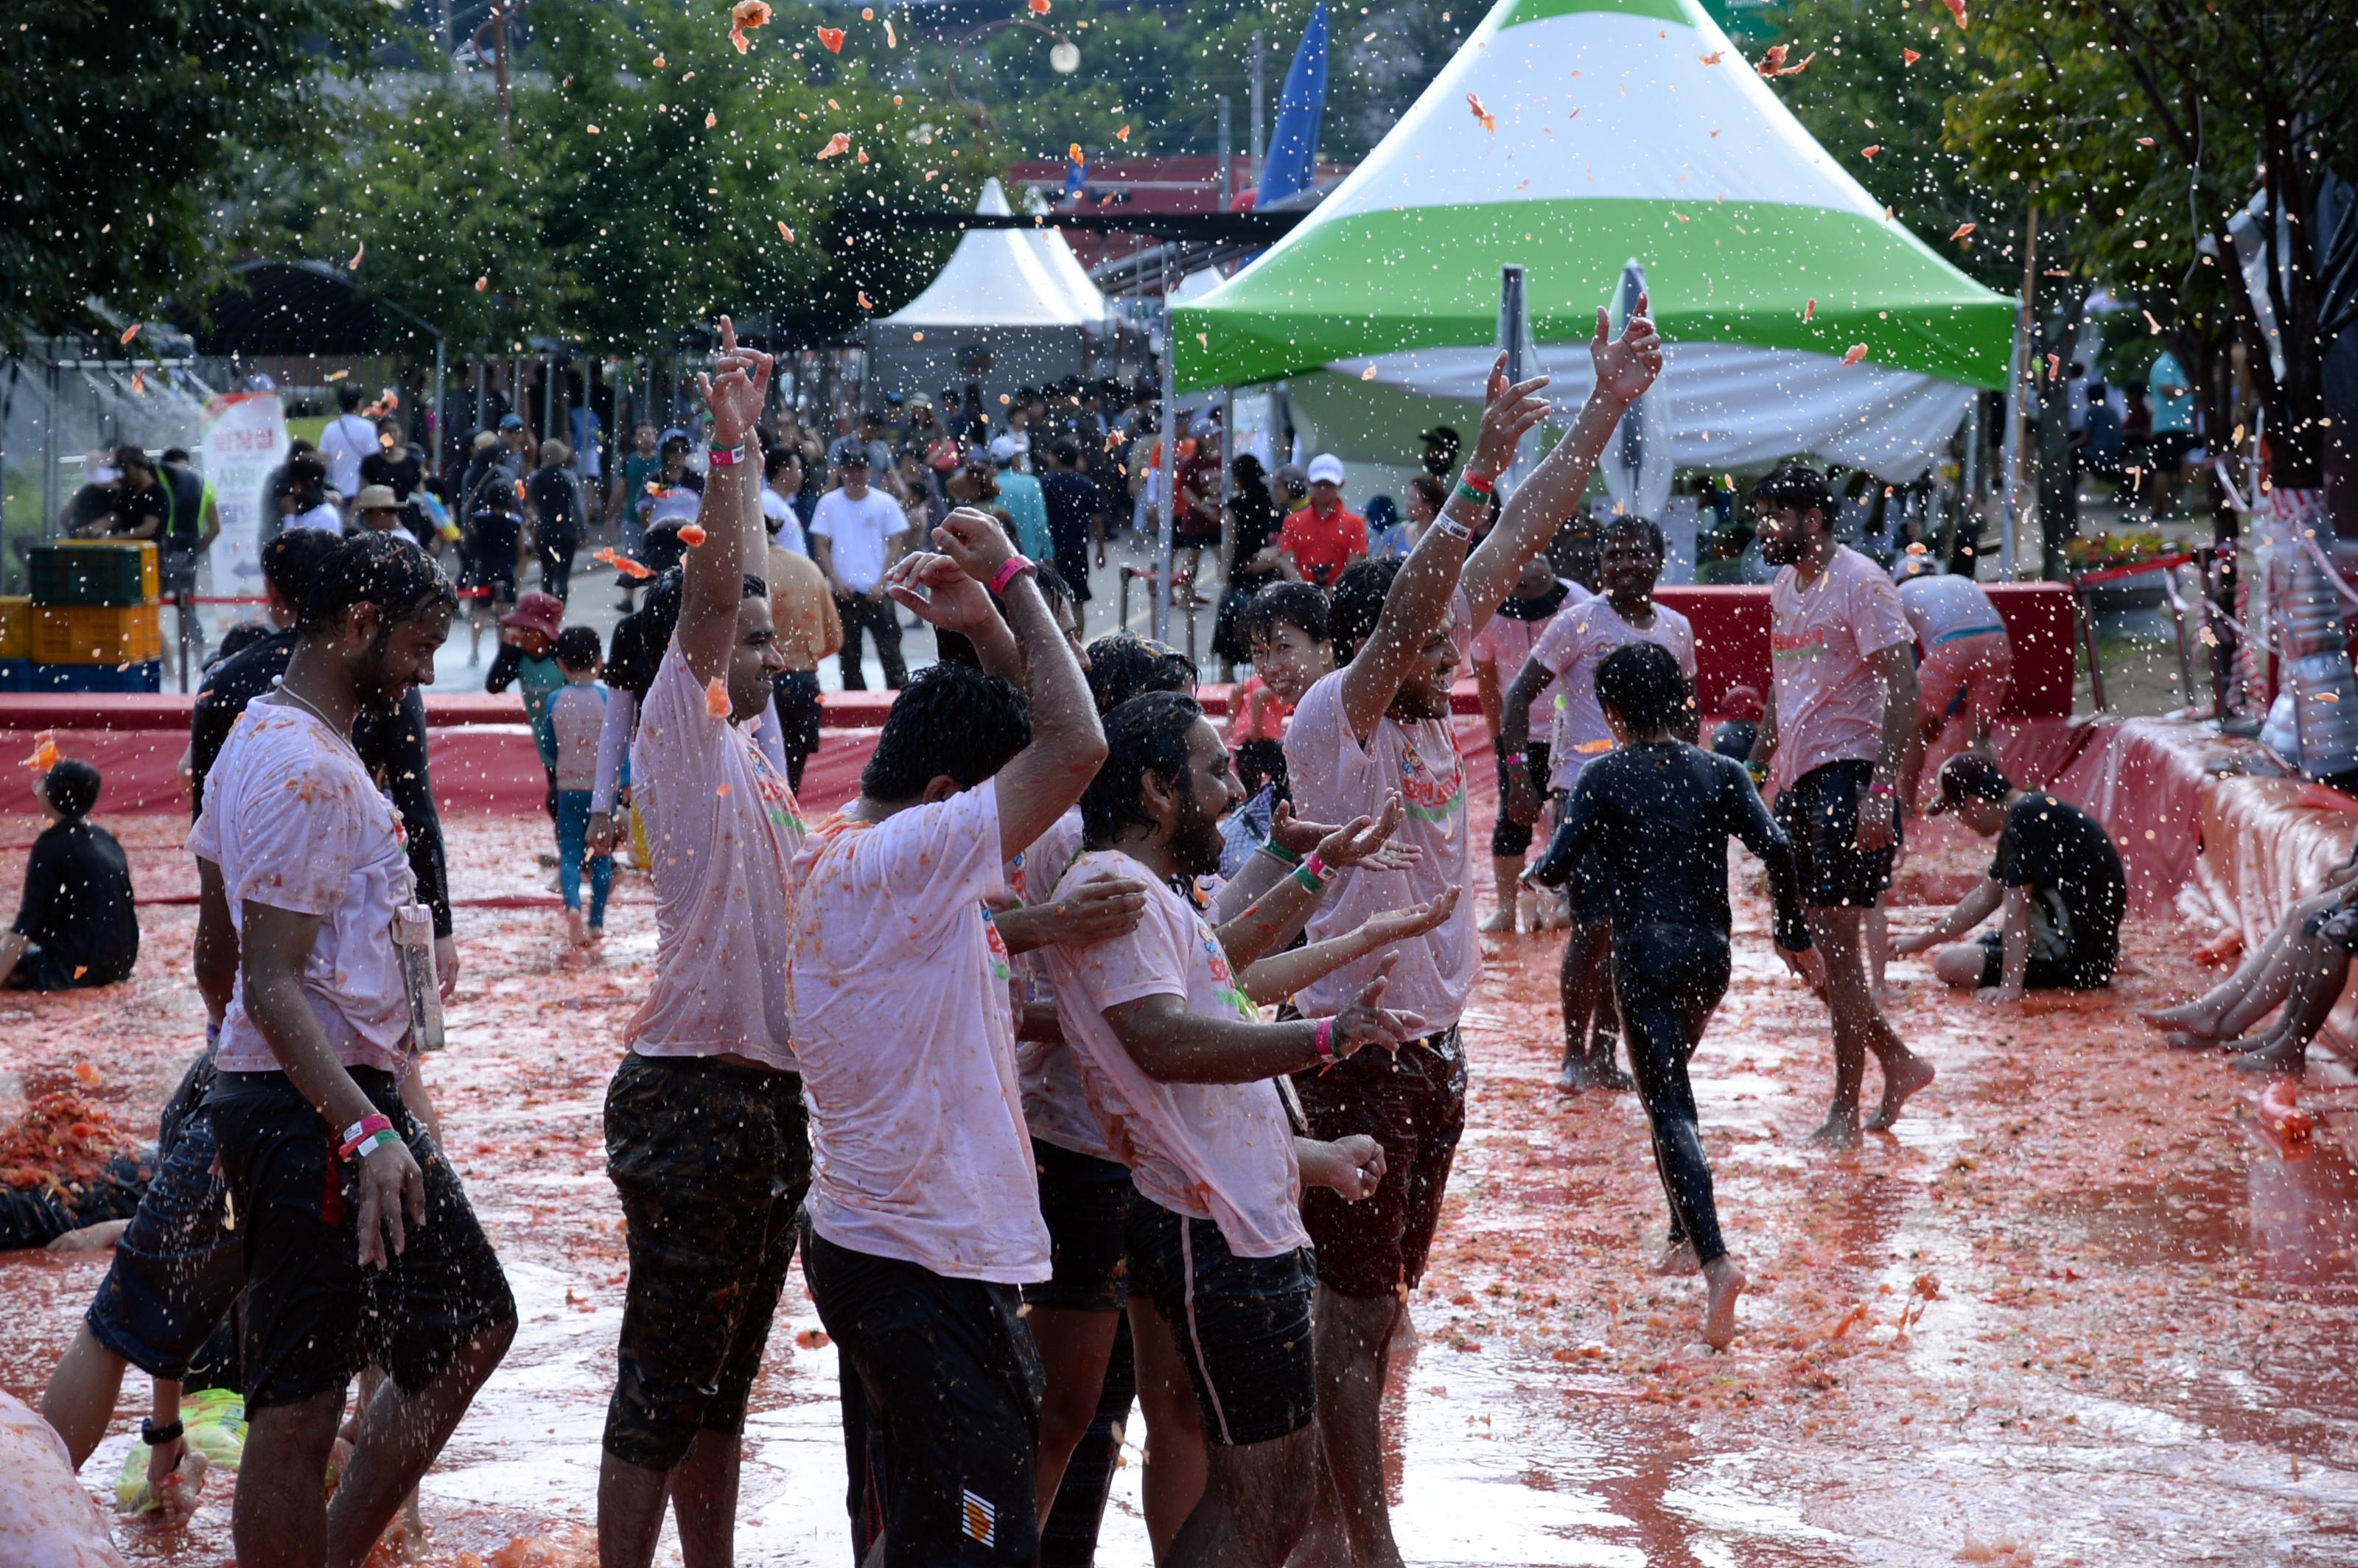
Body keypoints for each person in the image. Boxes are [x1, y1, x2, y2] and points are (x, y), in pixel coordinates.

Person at [1281, 305, 1661, 1568]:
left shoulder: (1437, 707)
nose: (1461, 639)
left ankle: (1331, 1517)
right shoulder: (1342, 719)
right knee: (1348, 1316)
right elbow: (1431, 593)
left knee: (1385, 1310)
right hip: (1351, 1050)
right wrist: (1476, 478)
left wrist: (1603, 409)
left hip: (1435, 1049)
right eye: (1436, 629)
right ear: (1381, 647)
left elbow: (1511, 546)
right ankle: (1364, 1546)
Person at [1040, 692, 1432, 1568]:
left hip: (1228, 1222)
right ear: (1154, 787)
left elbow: (1228, 966)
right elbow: (1163, 1043)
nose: (1232, 789)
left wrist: (1319, 871)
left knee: (1273, 1491)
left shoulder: (1147, 891)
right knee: (1260, 1498)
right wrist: (1323, 1038)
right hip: (1205, 1229)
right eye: (1213, 769)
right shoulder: (1113, 889)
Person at [786, 506, 1105, 1568]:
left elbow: (1052, 762)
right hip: (909, 1258)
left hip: (905, 1247)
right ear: (942, 803)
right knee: (982, 1542)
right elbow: (1075, 747)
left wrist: (984, 638)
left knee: (934, 1525)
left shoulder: (872, 852)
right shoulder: (904, 861)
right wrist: (1011, 573)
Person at [192, 531, 514, 1568]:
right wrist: (360, 1127)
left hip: (306, 1096)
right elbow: (267, 978)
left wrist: (244, 1074)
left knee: (468, 1322)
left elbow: (216, 953)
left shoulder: (254, 732)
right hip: (323, 1116)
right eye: (420, 646)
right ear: (362, 625)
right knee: (295, 1409)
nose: (427, 672)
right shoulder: (312, 773)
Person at [597, 323, 805, 1568]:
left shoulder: (761, 763)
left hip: (764, 1097)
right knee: (661, 1383)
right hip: (692, 1091)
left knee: (725, 1381)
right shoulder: (685, 728)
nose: (767, 652)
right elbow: (718, 590)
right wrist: (733, 450)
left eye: (778, 639)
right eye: (750, 638)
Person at [1529, 642, 1812, 1349]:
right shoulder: (1720, 773)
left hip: (1644, 958)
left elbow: (1559, 863)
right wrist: (1789, 930)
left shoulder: (1601, 777)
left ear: (1614, 713)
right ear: (1683, 704)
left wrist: (1536, 872)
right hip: (1709, 958)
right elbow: (1778, 847)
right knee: (1670, 1090)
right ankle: (1682, 1233)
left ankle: (1716, 1262)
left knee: (1670, 1111)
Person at [1744, 463, 1939, 1148]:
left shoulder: (1861, 582)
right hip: (1800, 784)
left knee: (1841, 953)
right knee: (1799, 945)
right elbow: (1783, 685)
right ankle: (1898, 1058)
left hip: (1850, 780)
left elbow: (1905, 688)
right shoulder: (1782, 586)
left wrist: (1882, 790)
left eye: (1774, 515)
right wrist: (1756, 767)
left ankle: (1844, 1113)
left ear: (1815, 520)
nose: (1762, 528)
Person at [1502, 516, 1691, 1085]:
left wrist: (1687, 787)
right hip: (1585, 791)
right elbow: (1516, 701)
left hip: (1654, 798)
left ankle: (1608, 1054)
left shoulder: (1676, 629)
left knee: (1632, 932)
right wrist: (1518, 777)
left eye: (1637, 554)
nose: (1625, 564)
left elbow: (1689, 714)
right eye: (1613, 555)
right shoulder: (1576, 624)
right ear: (1598, 566)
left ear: (1660, 561)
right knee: (1592, 925)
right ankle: (1572, 1054)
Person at [1897, 755, 2125, 1001]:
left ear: (1974, 802)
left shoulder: (2024, 820)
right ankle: (2105, 960)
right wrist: (1918, 942)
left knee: (1950, 965)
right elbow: (1984, 897)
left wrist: (2010, 985)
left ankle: (2074, 967)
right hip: (2088, 953)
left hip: (2074, 963)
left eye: (1955, 811)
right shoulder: (2029, 810)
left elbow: (2017, 907)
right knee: (1971, 950)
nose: (1959, 822)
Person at [1469, 554, 1575, 935]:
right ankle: (1505, 908)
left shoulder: (1574, 600)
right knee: (1512, 821)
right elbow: (1486, 679)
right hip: (1519, 732)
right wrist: (1500, 741)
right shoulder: (1489, 614)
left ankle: (1570, 900)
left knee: (1573, 819)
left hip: (1570, 730)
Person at [1892, 550, 2012, 811]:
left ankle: (1906, 805)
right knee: (1979, 735)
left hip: (1951, 645)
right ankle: (1988, 801)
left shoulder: (1898, 595)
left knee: (1914, 729)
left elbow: (1906, 665)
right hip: (1997, 639)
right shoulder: (1960, 580)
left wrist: (1930, 717)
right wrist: (1940, 714)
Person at [1, 760, 136, 991]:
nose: (36, 787)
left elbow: (26, 926)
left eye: (42, 782)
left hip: (73, 971)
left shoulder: (51, 845)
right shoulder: (105, 838)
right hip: (118, 965)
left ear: (53, 794)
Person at [808, 448, 911, 691]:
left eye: (860, 470)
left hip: (879, 592)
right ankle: (857, 709)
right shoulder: (829, 502)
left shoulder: (884, 502)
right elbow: (821, 545)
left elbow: (896, 543)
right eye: (850, 470)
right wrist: (835, 579)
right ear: (841, 472)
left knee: (891, 655)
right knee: (849, 658)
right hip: (845, 592)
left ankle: (901, 704)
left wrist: (882, 582)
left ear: (870, 472)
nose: (855, 476)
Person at [766, 489, 844, 792]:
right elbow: (834, 639)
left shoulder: (739, 571)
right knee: (790, 780)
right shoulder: (808, 570)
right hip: (801, 683)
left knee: (757, 779)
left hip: (755, 687)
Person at [546, 627, 612, 944]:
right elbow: (618, 745)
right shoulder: (607, 698)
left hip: (568, 786)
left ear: (560, 664)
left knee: (571, 854)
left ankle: (573, 906)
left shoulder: (555, 700)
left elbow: (548, 746)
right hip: (601, 793)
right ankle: (597, 921)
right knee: (601, 856)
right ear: (600, 662)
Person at [486, 592, 568, 812]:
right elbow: (494, 685)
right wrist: (507, 649)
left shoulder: (561, 656)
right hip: (547, 749)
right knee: (557, 806)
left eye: (528, 630)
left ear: (546, 631)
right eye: (520, 629)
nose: (522, 635)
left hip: (571, 747)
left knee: (559, 804)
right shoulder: (518, 658)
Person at [1277, 454, 1367, 589]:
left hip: (1339, 602)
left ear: (1341, 484)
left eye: (1329, 484)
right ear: (1309, 482)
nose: (1323, 489)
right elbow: (1287, 562)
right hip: (1300, 600)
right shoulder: (1292, 522)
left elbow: (1353, 569)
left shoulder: (1356, 523)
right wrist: (1306, 594)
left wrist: (1332, 595)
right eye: (1319, 484)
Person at [1041, 438, 1099, 621]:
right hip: (1078, 550)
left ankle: (1058, 644)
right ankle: (1076, 647)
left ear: (1057, 459)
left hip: (1052, 551)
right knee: (1077, 601)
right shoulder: (1086, 484)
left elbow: (1039, 521)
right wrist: (1101, 549)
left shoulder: (1044, 484)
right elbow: (1097, 520)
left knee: (1053, 601)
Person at [525, 438, 585, 601]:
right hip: (566, 531)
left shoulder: (534, 478)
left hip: (544, 531)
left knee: (547, 573)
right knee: (563, 576)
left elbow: (531, 505)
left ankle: (547, 607)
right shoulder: (569, 478)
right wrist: (583, 531)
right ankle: (559, 608)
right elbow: (578, 508)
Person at [992, 433, 1055, 564]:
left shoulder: (989, 486)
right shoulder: (1031, 483)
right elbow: (1040, 523)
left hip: (998, 562)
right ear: (1013, 459)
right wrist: (1049, 553)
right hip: (1029, 559)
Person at [316, 383, 379, 504]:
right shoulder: (368, 428)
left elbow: (322, 462)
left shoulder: (330, 429)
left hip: (337, 492)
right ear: (359, 403)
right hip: (361, 493)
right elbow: (374, 460)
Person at [763, 446, 810, 557]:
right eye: (798, 469)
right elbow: (768, 545)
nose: (801, 475)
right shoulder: (768, 501)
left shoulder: (781, 504)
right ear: (783, 472)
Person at [281, 452, 343, 533]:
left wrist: (289, 517)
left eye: (295, 485)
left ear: (310, 484)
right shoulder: (309, 511)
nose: (292, 490)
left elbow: (292, 545)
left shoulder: (323, 516)